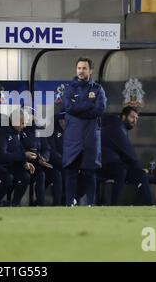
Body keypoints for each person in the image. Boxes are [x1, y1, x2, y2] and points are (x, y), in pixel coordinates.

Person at [62, 57, 107, 206]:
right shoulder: (69, 88)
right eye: (79, 68)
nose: (81, 71)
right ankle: (69, 204)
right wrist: (88, 104)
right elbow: (68, 108)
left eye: (84, 68)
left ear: (90, 71)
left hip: (90, 137)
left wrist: (79, 109)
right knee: (71, 172)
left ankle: (90, 204)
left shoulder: (98, 89)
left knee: (90, 172)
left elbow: (99, 110)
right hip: (72, 137)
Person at [0, 109, 37, 207]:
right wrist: (24, 155)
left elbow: (18, 151)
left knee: (25, 177)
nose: (25, 126)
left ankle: (15, 204)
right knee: (7, 177)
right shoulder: (0, 131)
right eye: (23, 123)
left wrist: (24, 162)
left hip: (7, 166)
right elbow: (1, 156)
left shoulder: (17, 132)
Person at [101, 107, 153, 205]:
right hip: (103, 165)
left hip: (116, 165)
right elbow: (130, 154)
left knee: (140, 175)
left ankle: (149, 206)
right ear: (124, 117)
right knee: (122, 170)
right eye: (132, 117)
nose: (134, 121)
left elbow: (127, 155)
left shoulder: (121, 128)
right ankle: (114, 207)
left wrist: (139, 170)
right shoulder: (117, 127)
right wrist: (138, 167)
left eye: (136, 119)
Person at [20, 110, 52, 206]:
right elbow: (18, 147)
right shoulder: (20, 129)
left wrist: (44, 158)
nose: (30, 117)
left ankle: (43, 203)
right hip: (23, 162)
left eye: (31, 114)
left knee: (54, 173)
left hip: (39, 163)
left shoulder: (40, 129)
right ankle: (38, 203)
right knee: (39, 174)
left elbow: (46, 148)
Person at [46, 112, 65, 206]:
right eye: (63, 120)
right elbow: (52, 152)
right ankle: (57, 203)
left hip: (66, 164)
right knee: (57, 174)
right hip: (52, 164)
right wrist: (64, 161)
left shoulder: (71, 132)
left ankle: (71, 201)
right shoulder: (52, 132)